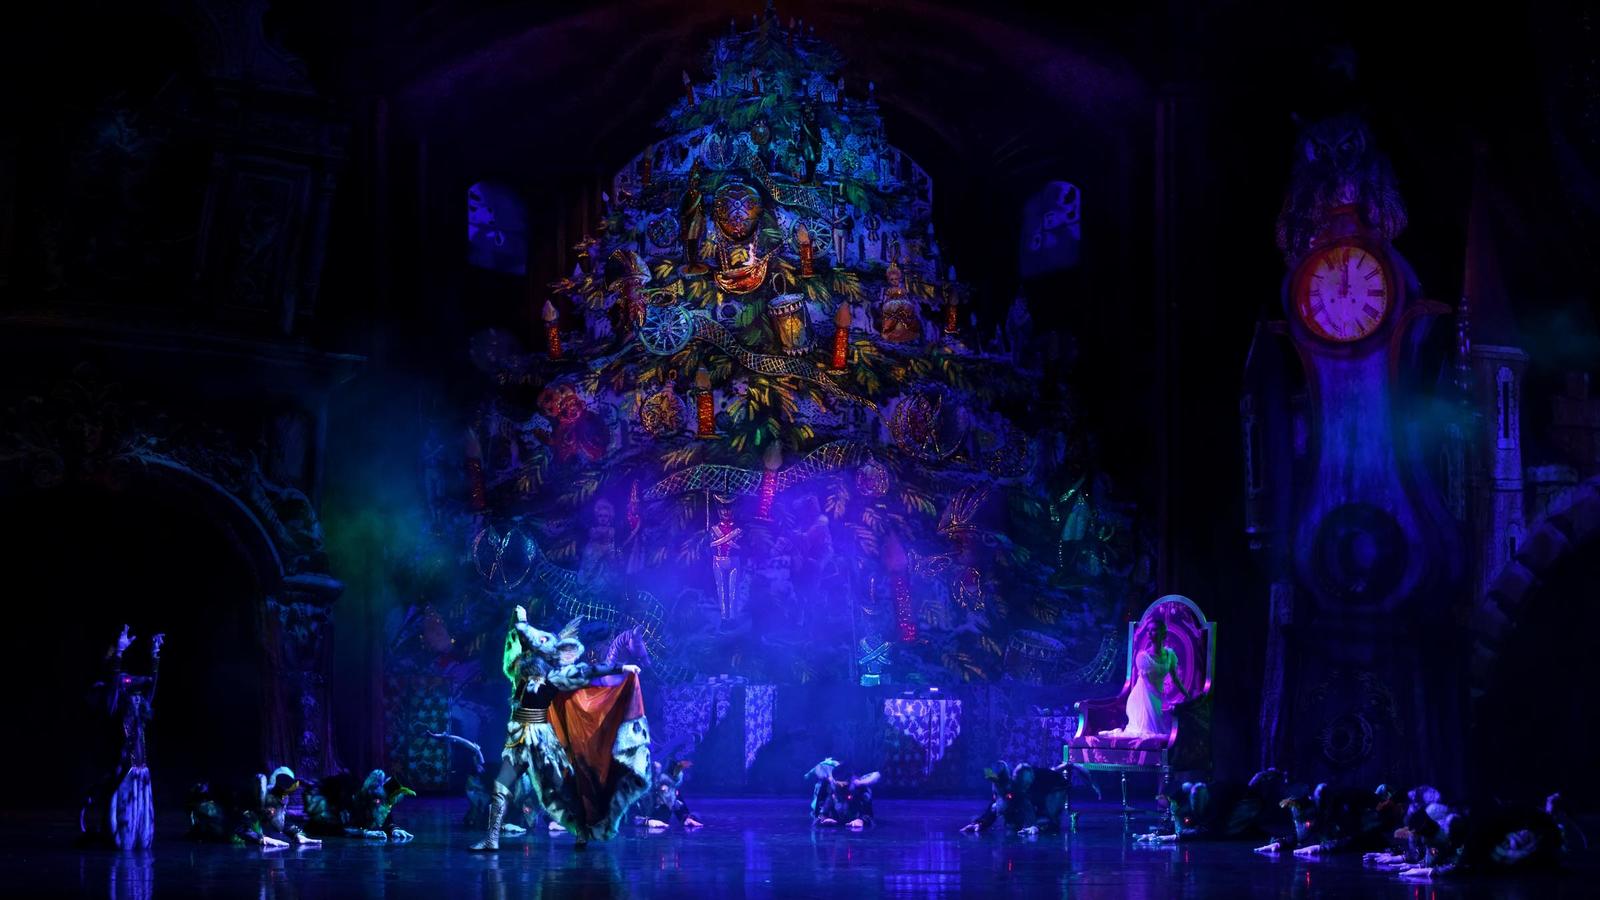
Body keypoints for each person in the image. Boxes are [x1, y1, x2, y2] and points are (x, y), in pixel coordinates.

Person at [469, 606, 649, 851]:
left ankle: (583, 830)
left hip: (542, 743)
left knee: (564, 789)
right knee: (501, 786)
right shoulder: (519, 675)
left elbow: (588, 671)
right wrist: (519, 620)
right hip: (517, 740)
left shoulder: (555, 677)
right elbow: (522, 639)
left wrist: (621, 668)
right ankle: (492, 839)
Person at [81, 625, 162, 849]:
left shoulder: (141, 707)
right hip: (124, 766)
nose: (137, 698)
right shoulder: (115, 704)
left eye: (138, 696)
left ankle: (134, 837)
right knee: (121, 815)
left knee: (137, 820)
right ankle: (116, 838)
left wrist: (155, 656)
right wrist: (118, 652)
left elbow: (151, 686)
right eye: (132, 695)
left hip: (140, 767)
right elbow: (115, 683)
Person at [1099, 617, 1188, 738]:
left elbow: (1175, 678)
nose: (1150, 633)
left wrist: (1187, 695)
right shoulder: (1143, 657)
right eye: (1148, 630)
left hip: (1156, 697)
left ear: (1163, 633)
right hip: (1142, 697)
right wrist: (1163, 698)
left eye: (1154, 630)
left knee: (1158, 731)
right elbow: (1148, 684)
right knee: (1147, 733)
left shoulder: (1170, 655)